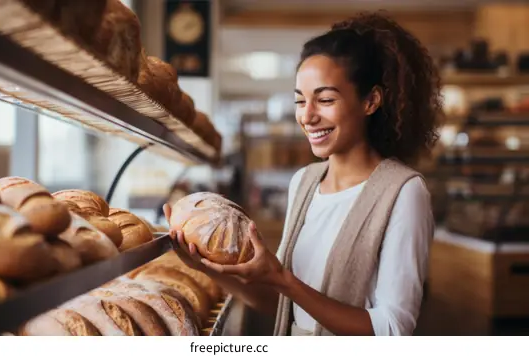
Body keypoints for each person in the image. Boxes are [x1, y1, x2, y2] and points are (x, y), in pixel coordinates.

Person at [163, 11, 441, 336]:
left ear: (371, 101)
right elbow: (279, 302)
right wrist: (207, 267)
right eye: (300, 100)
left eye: (324, 99)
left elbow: (392, 329)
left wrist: (284, 280)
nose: (307, 116)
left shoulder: (404, 192)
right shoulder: (305, 182)